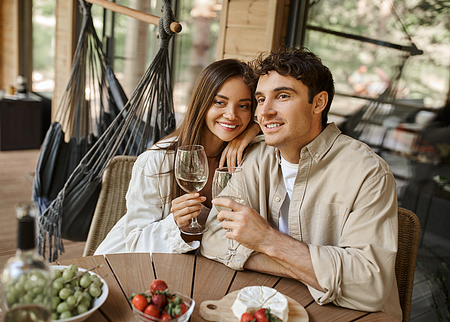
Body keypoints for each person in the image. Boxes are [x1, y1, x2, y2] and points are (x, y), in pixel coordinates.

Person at [201, 46, 402, 320]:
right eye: (260, 100)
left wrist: (266, 240)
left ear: (318, 103)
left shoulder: (368, 173)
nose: (265, 112)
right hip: (273, 304)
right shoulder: (255, 158)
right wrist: (303, 268)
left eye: (282, 96)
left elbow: (368, 286)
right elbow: (213, 238)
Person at [94, 58, 261, 255]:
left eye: (243, 106)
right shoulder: (157, 162)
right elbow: (135, 242)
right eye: (219, 102)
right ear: (203, 103)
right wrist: (174, 224)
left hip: (193, 271)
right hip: (124, 265)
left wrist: (254, 129)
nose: (231, 115)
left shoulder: (248, 157)